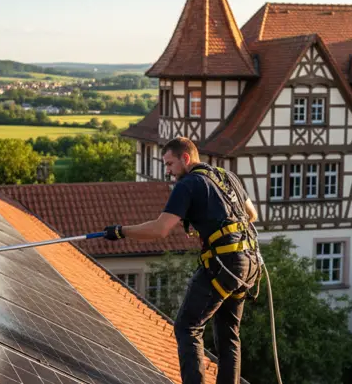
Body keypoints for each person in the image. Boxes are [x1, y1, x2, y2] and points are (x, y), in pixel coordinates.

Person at [102, 137, 261, 384]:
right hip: (249, 263)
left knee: (188, 327)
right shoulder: (227, 177)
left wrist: (122, 231)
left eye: (169, 164)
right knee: (229, 334)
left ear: (185, 158)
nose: (167, 171)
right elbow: (252, 215)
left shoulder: (188, 184)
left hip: (225, 263)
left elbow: (160, 229)